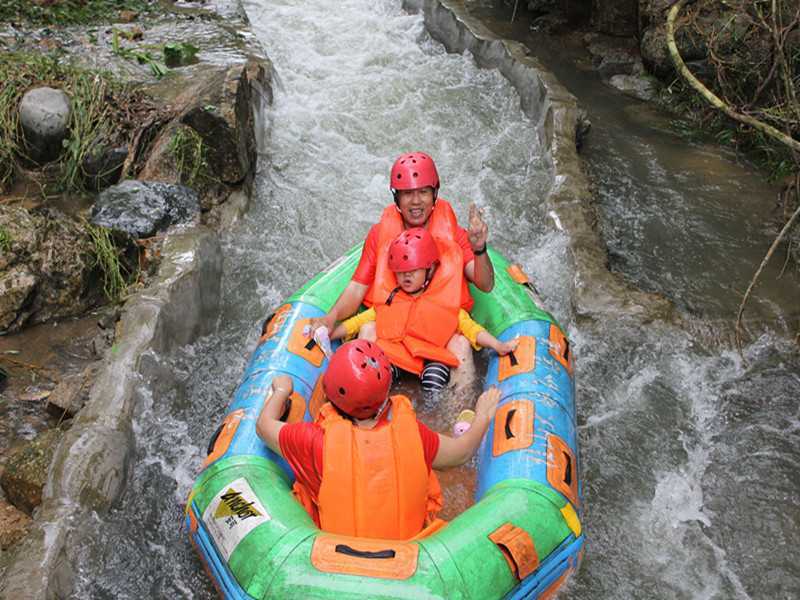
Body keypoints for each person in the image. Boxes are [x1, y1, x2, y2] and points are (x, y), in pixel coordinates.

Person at [256, 340, 501, 540]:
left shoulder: (310, 441)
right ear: (385, 396)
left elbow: (263, 426)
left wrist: (281, 390)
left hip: (336, 563)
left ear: (329, 390)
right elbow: (462, 451)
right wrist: (482, 415)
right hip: (408, 560)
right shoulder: (414, 435)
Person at [308, 152, 494, 377]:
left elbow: (485, 284)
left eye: (423, 192)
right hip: (392, 330)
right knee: (367, 329)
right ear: (397, 198)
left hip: (439, 331)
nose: (416, 201)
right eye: (407, 194)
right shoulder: (380, 235)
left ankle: (462, 408)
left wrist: (479, 248)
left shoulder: (453, 235)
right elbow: (358, 288)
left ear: (434, 194)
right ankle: (367, 395)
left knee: (462, 344)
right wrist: (331, 317)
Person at [328, 227, 518, 392]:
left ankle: (452, 412)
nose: (406, 277)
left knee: (436, 380)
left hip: (433, 359)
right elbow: (357, 322)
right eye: (401, 272)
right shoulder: (390, 300)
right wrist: (330, 333)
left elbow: (473, 331)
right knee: (378, 370)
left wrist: (497, 345)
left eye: (413, 270)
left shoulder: (446, 303)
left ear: (430, 270)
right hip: (399, 357)